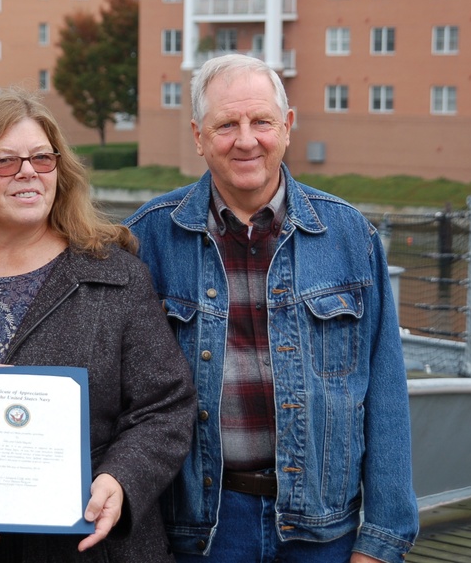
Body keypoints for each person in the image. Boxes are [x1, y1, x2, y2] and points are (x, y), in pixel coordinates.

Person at [125, 54, 418, 563]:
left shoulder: (350, 237)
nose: (245, 139)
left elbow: (386, 395)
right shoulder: (147, 239)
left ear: (286, 128)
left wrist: (382, 541)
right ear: (198, 135)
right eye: (226, 124)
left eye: (260, 121)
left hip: (324, 530)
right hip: (200, 529)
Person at [0, 87, 197, 562]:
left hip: (89, 546)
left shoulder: (115, 273)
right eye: (6, 162)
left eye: (42, 159)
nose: (28, 172)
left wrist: (120, 479)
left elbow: (165, 405)